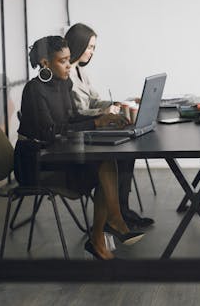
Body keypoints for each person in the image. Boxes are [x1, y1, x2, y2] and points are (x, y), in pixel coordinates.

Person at [16, 35, 144, 260]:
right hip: (34, 162)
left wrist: (104, 117)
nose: (69, 65)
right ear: (45, 63)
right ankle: (108, 227)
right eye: (63, 61)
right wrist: (95, 123)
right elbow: (50, 132)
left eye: (69, 59)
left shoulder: (64, 83)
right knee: (102, 167)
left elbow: (71, 118)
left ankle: (104, 231)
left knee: (106, 161)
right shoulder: (34, 90)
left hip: (56, 154)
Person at [65, 23, 154, 229]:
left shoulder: (80, 71)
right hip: (81, 137)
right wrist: (105, 113)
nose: (91, 52)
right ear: (77, 45)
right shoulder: (66, 75)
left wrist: (117, 104)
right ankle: (117, 213)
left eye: (94, 48)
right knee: (121, 155)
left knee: (126, 154)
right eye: (89, 47)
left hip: (91, 129)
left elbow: (95, 101)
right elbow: (77, 113)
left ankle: (121, 210)